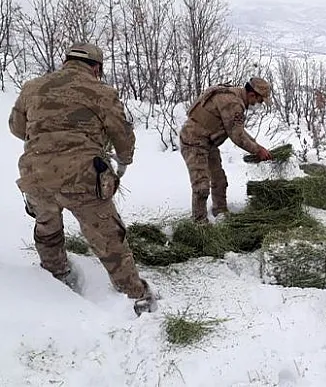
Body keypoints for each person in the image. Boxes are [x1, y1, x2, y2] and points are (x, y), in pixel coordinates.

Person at [9, 43, 157, 315]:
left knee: (47, 228)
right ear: (96, 68)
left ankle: (55, 277)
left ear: (66, 61)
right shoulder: (101, 91)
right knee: (108, 235)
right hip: (81, 178)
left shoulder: (32, 87)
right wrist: (123, 162)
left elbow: (17, 128)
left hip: (34, 175)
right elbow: (122, 136)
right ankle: (135, 295)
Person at [179, 78, 274, 223]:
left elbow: (237, 129)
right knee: (201, 186)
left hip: (208, 143)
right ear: (252, 95)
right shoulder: (233, 103)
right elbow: (237, 136)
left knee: (220, 181)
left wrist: (258, 146)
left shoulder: (235, 96)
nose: (258, 104)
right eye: (260, 100)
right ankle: (199, 224)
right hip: (194, 142)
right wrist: (257, 150)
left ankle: (221, 213)